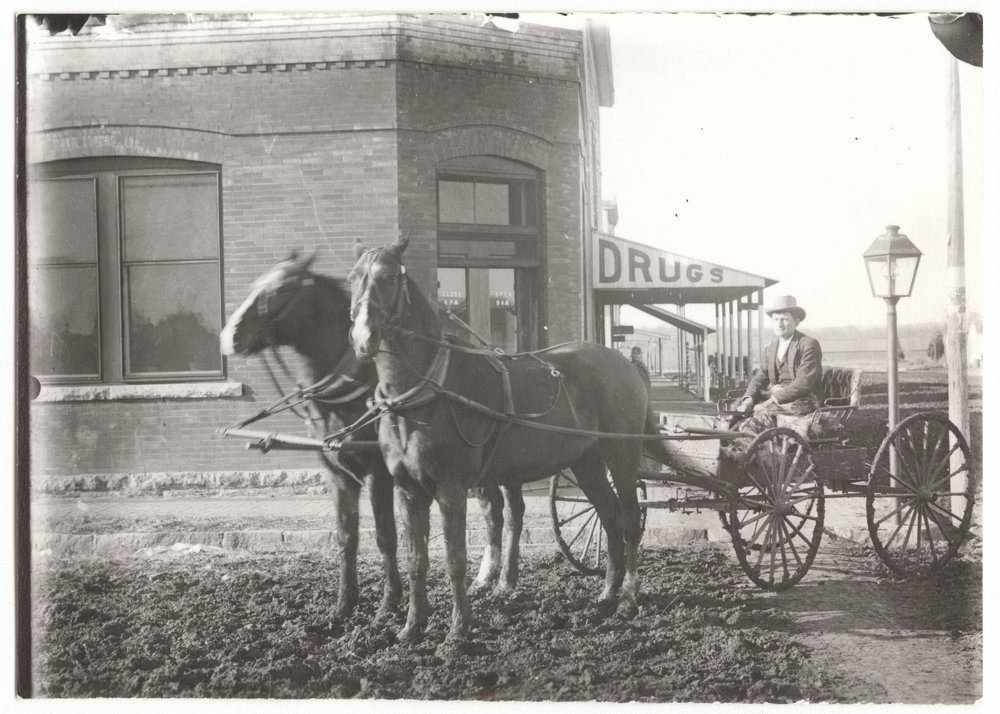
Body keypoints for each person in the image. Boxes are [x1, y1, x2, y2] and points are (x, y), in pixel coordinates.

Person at [733, 295, 823, 434]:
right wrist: (748, 400)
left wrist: (771, 401)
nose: (779, 324)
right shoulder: (770, 348)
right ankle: (729, 440)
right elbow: (760, 377)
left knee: (758, 418)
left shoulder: (808, 344)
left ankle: (752, 443)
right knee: (736, 411)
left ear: (796, 321)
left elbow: (803, 384)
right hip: (776, 399)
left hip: (802, 402)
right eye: (776, 319)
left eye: (784, 319)